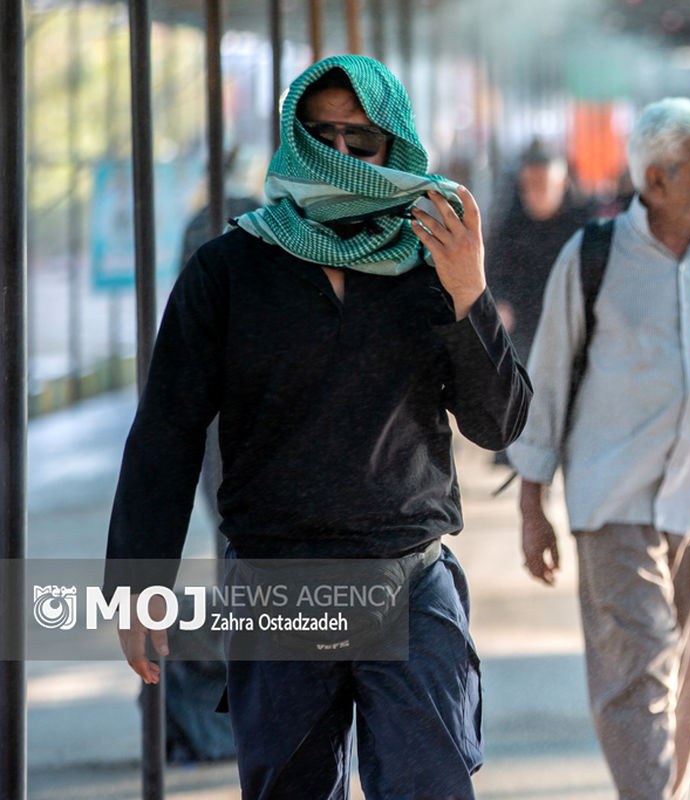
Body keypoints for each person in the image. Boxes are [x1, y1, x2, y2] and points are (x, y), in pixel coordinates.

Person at [103, 55, 531, 799]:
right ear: (292, 138)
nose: (339, 157)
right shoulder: (230, 268)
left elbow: (497, 424)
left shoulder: (434, 262)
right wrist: (138, 581)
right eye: (320, 135)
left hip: (408, 577)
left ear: (394, 145)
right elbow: (167, 430)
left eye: (361, 141)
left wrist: (471, 294)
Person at [508, 97, 690, 800]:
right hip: (613, 495)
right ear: (657, 181)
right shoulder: (592, 256)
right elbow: (549, 380)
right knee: (638, 669)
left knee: (685, 671)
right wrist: (533, 507)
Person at [487, 140, 594, 361]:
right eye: (527, 186)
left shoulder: (583, 229)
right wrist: (499, 301)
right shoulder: (509, 227)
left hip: (571, 326)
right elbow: (492, 275)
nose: (534, 193)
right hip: (522, 328)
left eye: (542, 185)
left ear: (562, 184)